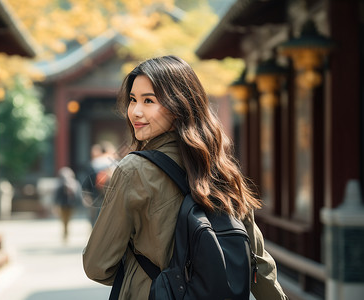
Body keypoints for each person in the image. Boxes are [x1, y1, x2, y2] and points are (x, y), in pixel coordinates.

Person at [83, 55, 288, 299]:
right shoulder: (221, 168)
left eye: (149, 101)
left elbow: (97, 266)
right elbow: (258, 262)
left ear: (178, 104)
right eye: (133, 100)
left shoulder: (133, 170)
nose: (135, 111)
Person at [54, 167, 82, 241]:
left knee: (67, 220)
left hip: (71, 205)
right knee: (64, 220)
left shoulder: (75, 184)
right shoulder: (60, 184)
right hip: (63, 205)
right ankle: (65, 233)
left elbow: (78, 196)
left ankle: (66, 233)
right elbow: (57, 196)